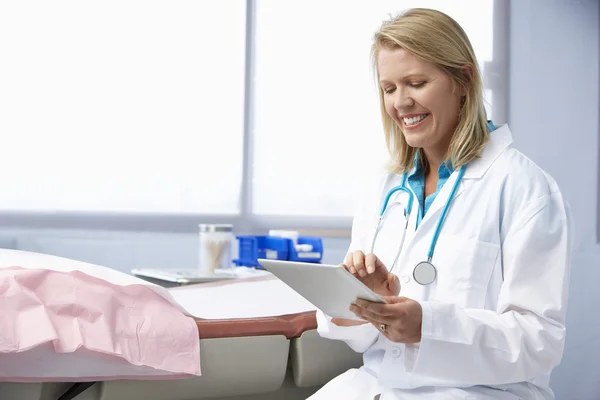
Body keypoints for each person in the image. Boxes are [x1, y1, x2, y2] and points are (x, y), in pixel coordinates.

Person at [308, 8, 572, 400]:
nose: (401, 102)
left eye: (416, 82)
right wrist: (362, 299)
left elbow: (540, 340)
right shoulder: (383, 188)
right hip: (376, 387)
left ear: (464, 80)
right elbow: (362, 340)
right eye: (389, 88)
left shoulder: (523, 187)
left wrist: (427, 327)